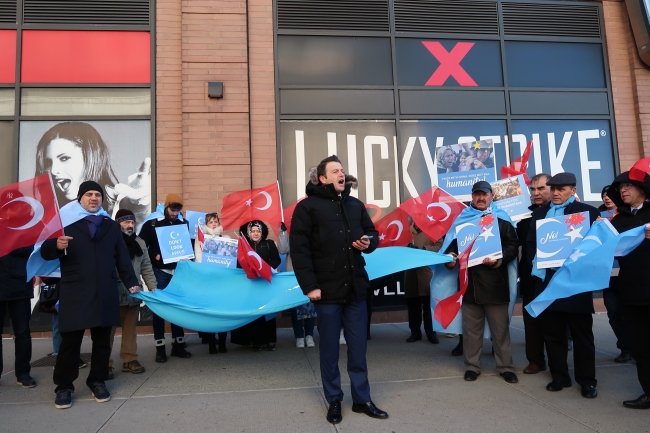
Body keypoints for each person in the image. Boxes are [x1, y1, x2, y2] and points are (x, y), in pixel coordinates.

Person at [290, 155, 388, 424]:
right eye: (335, 171)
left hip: (356, 288)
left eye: (342, 170)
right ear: (322, 178)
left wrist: (369, 241)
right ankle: (334, 399)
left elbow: (373, 234)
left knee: (358, 348)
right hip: (326, 292)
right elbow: (300, 251)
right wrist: (309, 286)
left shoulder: (356, 205)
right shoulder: (307, 208)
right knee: (330, 350)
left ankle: (361, 399)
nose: (341, 174)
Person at [41, 181, 140, 409]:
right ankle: (64, 386)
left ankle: (97, 381)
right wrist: (56, 245)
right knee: (70, 343)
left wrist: (131, 282)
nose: (94, 198)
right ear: (80, 198)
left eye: (98, 194)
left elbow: (122, 258)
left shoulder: (110, 225)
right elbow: (45, 252)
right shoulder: (65, 223)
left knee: (102, 342)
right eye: (89, 194)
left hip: (105, 290)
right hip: (75, 290)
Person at [526, 172, 600, 399]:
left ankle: (587, 381)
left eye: (561, 189)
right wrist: (540, 264)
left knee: (582, 335)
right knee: (552, 333)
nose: (556, 193)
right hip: (548, 282)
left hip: (576, 283)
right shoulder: (539, 213)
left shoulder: (588, 212)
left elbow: (596, 245)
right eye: (553, 189)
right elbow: (530, 245)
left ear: (573, 190)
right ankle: (559, 376)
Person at [444, 181, 519, 384]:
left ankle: (506, 367)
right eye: (477, 194)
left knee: (500, 330)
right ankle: (471, 366)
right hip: (470, 286)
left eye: (484, 194)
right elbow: (452, 248)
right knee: (471, 331)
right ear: (472, 196)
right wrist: (450, 258)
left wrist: (499, 258)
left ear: (491, 196)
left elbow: (513, 245)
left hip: (496, 283)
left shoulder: (502, 220)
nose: (481, 198)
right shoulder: (463, 223)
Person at [34, 121, 151, 232]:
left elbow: (135, 217)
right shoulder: (46, 212)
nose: (54, 171)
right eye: (48, 163)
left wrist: (138, 204)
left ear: (90, 157)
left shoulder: (115, 201)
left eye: (64, 158)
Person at [608, 171, 650, 409]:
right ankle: (648, 392)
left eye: (628, 186)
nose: (623, 190)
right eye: (621, 187)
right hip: (632, 292)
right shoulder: (616, 220)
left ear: (642, 190)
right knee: (641, 347)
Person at [139, 194, 192, 362]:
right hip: (160, 271)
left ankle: (178, 344)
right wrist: (153, 254)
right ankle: (160, 348)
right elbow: (140, 245)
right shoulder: (152, 223)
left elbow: (188, 245)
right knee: (159, 310)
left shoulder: (183, 223)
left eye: (177, 210)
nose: (175, 213)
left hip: (178, 272)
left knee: (177, 309)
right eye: (172, 210)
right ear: (166, 207)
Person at [107, 209, 157, 379]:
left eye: (132, 222)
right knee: (107, 331)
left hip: (133, 294)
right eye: (125, 222)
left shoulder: (140, 243)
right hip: (112, 293)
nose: (130, 225)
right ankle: (104, 363)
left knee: (130, 329)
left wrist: (152, 286)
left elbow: (146, 267)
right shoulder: (110, 240)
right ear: (117, 223)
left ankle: (130, 359)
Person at [517, 173, 551, 375]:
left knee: (555, 321)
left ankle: (558, 363)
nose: (536, 193)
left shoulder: (562, 214)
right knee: (531, 320)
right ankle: (535, 360)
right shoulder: (523, 217)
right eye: (533, 189)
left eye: (541, 188)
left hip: (554, 276)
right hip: (530, 277)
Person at [231, 220, 281, 351]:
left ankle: (270, 340)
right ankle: (256, 341)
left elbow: (277, 259)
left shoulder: (269, 244)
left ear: (262, 232)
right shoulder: (244, 245)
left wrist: (265, 267)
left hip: (265, 283)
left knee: (268, 312)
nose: (255, 233)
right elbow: (238, 263)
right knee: (255, 313)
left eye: (258, 231)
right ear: (249, 232)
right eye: (253, 231)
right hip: (251, 284)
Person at [598, 186, 632, 363]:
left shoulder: (628, 216)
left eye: (609, 195)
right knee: (614, 313)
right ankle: (625, 348)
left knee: (631, 313)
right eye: (603, 195)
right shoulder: (598, 216)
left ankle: (636, 347)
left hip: (627, 272)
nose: (606, 198)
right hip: (608, 275)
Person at [0, 246, 36, 388]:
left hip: (20, 283)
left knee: (22, 332)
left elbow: (33, 249)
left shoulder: (21, 225)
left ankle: (23, 373)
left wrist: (12, 243)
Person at [194, 212, 229, 354]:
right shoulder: (200, 239)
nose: (214, 224)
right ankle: (211, 343)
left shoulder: (226, 239)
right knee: (209, 313)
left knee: (223, 312)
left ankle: (222, 342)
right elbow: (198, 258)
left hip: (222, 281)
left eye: (216, 221)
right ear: (206, 225)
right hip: (208, 280)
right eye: (211, 222)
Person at [278, 223, 316, 349]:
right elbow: (282, 250)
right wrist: (283, 232)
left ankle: (309, 335)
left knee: (310, 307)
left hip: (309, 276)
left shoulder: (311, 237)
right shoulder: (291, 239)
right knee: (296, 309)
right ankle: (299, 336)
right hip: (294, 279)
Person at [404, 222, 442, 344]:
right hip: (410, 272)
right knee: (413, 306)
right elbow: (397, 244)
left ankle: (431, 333)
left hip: (427, 272)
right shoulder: (406, 230)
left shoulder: (432, 230)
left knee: (428, 306)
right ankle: (415, 333)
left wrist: (423, 250)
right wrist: (406, 246)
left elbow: (439, 246)